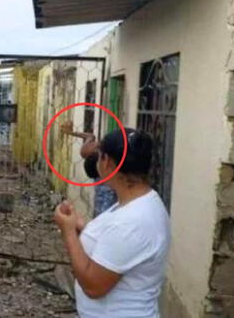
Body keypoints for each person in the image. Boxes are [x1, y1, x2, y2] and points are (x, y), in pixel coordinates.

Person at [54, 128, 170, 318]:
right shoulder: (137, 203)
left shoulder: (133, 221)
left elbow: (93, 286)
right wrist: (80, 227)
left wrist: (68, 232)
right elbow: (114, 244)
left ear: (106, 162)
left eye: (99, 156)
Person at [60, 120, 117, 217]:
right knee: (104, 205)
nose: (95, 144)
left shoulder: (89, 148)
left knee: (104, 204)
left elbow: (90, 136)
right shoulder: (90, 151)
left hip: (103, 180)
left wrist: (71, 133)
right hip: (103, 180)